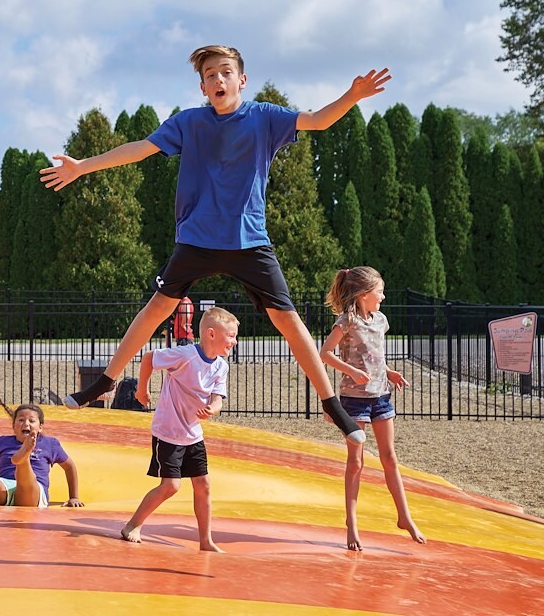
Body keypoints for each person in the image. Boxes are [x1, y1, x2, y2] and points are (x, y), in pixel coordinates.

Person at [40, 44, 388, 446]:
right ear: (203, 87)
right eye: (210, 76)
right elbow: (139, 149)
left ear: (241, 79)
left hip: (248, 240)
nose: (218, 80)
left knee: (288, 320)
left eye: (225, 73)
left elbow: (318, 121)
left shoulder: (265, 117)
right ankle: (104, 382)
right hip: (198, 237)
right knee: (157, 308)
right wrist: (83, 166)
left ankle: (331, 404)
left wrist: (352, 96)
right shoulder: (189, 123)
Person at [320, 266, 426, 551]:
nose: (383, 296)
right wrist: (351, 372)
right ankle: (351, 524)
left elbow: (373, 356)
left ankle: (404, 516)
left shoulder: (380, 320)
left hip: (380, 397)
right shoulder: (346, 322)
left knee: (390, 458)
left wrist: (388, 372)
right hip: (354, 400)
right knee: (356, 462)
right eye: (379, 291)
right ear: (364, 295)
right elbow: (324, 354)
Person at [121, 307, 237, 550]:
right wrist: (141, 390)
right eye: (231, 336)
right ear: (212, 334)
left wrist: (212, 410)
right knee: (171, 486)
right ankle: (133, 524)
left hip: (193, 434)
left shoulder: (221, 367)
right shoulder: (186, 355)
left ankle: (205, 540)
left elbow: (217, 398)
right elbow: (149, 358)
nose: (234, 341)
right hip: (169, 432)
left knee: (203, 484)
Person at [0, 403, 83, 508]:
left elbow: (69, 466)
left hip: (33, 490)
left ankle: (23, 460)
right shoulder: (1, 442)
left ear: (40, 427)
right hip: (4, 486)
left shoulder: (50, 443)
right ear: (13, 426)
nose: (26, 423)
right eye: (21, 420)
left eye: (31, 421)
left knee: (26, 482)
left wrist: (74, 497)